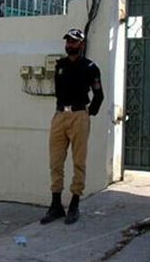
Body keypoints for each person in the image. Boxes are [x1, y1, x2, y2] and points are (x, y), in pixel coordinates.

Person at [40, 28, 104, 225]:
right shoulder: (60, 65)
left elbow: (98, 95)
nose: (70, 45)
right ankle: (56, 205)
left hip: (78, 116)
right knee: (56, 161)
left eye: (74, 42)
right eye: (68, 41)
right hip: (60, 115)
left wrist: (87, 113)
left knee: (78, 161)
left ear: (81, 44)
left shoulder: (90, 67)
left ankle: (75, 203)